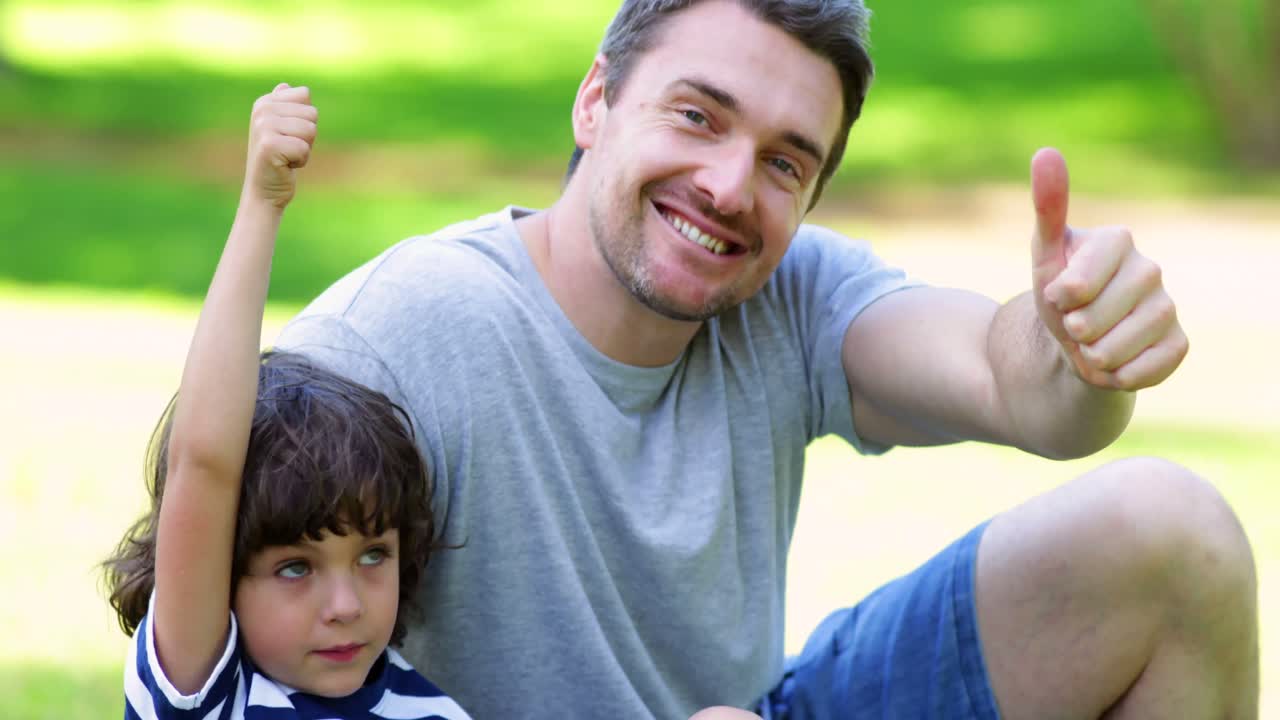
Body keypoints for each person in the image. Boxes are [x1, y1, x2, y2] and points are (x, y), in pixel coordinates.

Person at [276, 1, 1260, 718]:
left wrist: (1069, 347)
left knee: (1170, 536)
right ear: (595, 101)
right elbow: (203, 663)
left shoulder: (788, 294)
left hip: (756, 712)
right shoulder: (393, 341)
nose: (727, 186)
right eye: (697, 115)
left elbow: (1008, 381)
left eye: (784, 161)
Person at [102, 84, 472, 719]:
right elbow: (206, 463)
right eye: (296, 568)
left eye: (373, 555)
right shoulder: (209, 692)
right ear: (221, 578)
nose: (346, 605)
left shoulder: (428, 708)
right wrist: (261, 203)